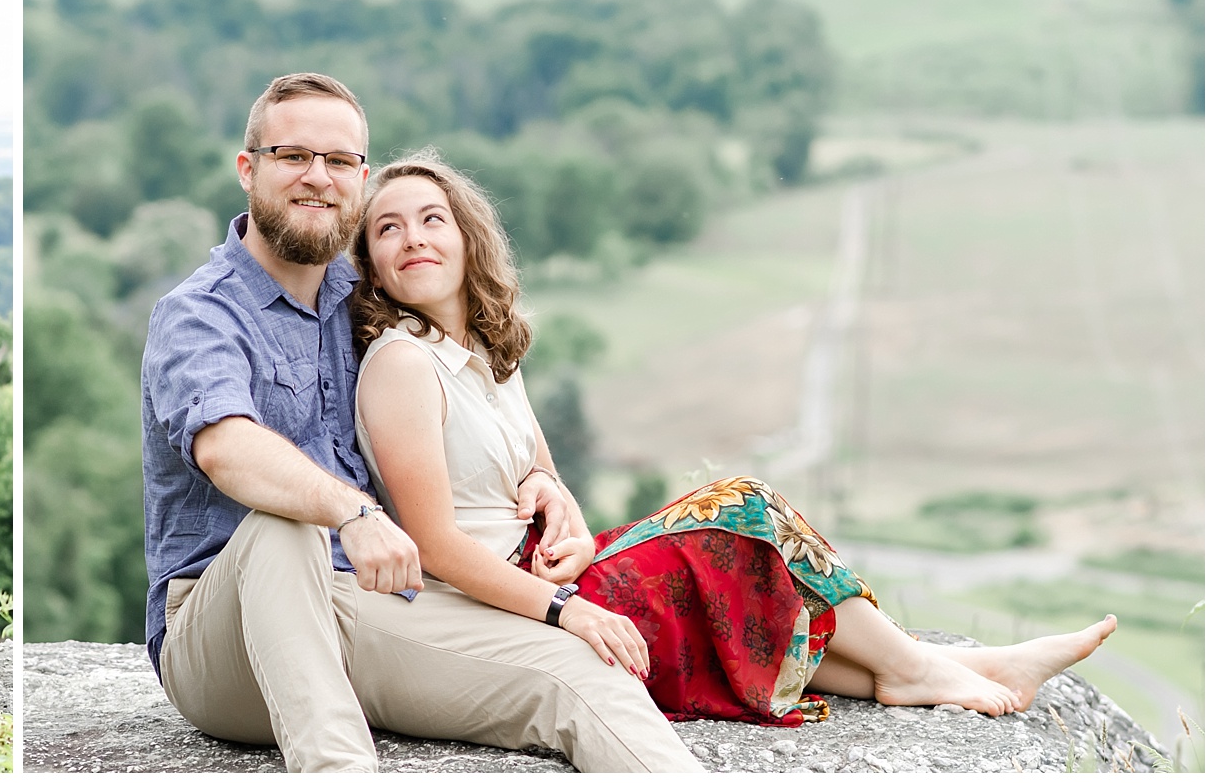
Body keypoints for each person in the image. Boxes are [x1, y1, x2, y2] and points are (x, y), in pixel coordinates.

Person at [350, 149, 1120, 727]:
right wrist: (564, 608)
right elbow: (435, 544)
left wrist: (566, 514)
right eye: (388, 227)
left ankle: (943, 666)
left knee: (740, 589)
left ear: (466, 236)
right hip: (507, 605)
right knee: (742, 510)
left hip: (552, 574)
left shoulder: (485, 351)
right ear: (374, 266)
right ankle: (924, 666)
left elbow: (548, 477)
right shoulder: (402, 365)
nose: (413, 237)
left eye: (431, 218)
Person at [141, 73, 700, 772]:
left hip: (370, 600)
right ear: (248, 169)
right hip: (225, 637)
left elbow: (475, 376)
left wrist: (542, 479)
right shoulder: (200, 314)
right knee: (285, 523)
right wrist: (352, 511)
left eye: (340, 161)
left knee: (582, 669)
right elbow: (227, 449)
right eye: (294, 156)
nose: (319, 176)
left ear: (360, 177)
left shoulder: (368, 295)